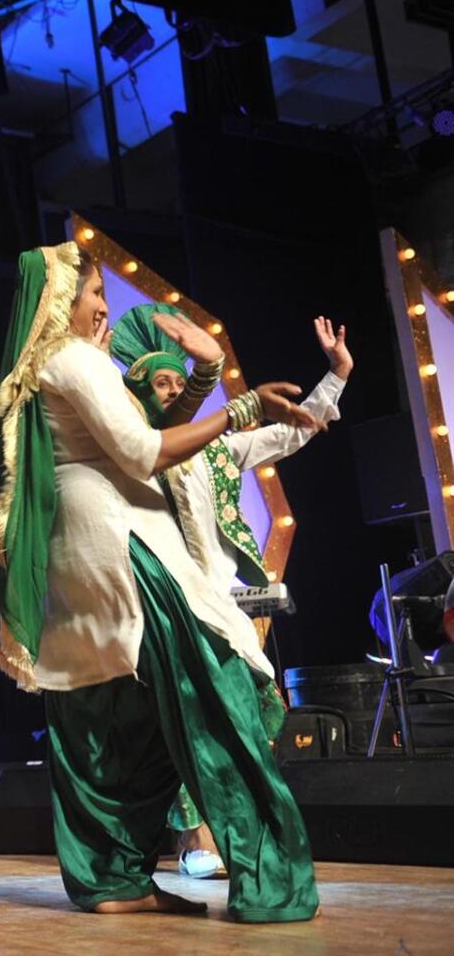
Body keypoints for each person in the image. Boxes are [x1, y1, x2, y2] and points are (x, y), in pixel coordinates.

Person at [0, 242, 321, 922]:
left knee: (109, 722)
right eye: (94, 293)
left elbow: (145, 426)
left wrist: (201, 379)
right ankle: (268, 877)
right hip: (124, 548)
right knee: (214, 696)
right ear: (63, 297)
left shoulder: (34, 371)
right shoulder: (71, 361)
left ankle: (113, 880)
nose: (103, 308)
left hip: (76, 562)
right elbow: (144, 449)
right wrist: (242, 410)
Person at [109, 303, 351, 878]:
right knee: (192, 717)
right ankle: (197, 840)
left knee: (258, 706)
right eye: (159, 383)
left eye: (177, 379)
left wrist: (337, 373)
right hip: (163, 604)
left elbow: (291, 431)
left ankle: (227, 828)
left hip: (215, 602)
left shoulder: (215, 450)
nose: (171, 391)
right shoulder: (135, 452)